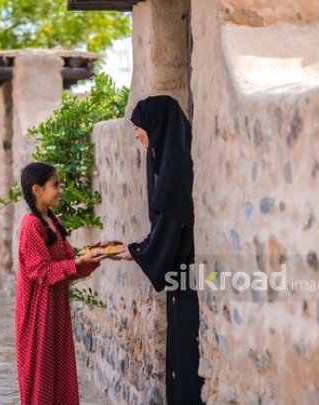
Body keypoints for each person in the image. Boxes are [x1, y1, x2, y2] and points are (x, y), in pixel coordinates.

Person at [116, 95, 203, 404]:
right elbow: (166, 221)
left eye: (140, 126)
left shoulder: (177, 166)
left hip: (191, 275)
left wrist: (139, 251)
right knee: (181, 351)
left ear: (157, 125)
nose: (137, 133)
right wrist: (143, 247)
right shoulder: (167, 158)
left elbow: (172, 220)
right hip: (183, 274)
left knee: (189, 352)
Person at [15, 162, 107, 405]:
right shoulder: (31, 225)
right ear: (37, 189)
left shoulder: (51, 220)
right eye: (55, 185)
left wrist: (96, 255)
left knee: (61, 375)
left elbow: (67, 266)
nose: (60, 190)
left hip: (55, 309)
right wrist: (78, 261)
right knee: (42, 380)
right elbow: (41, 271)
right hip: (38, 313)